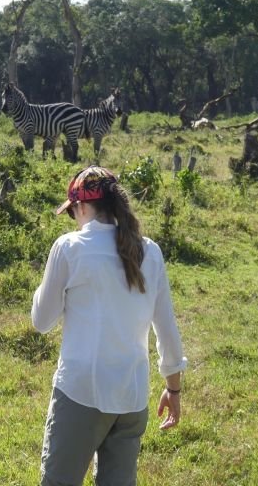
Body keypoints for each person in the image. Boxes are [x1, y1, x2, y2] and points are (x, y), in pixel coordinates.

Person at [31, 165, 187, 486]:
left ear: (82, 206)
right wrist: (173, 389)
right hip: (131, 399)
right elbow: (167, 330)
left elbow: (42, 321)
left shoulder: (69, 248)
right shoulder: (150, 251)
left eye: (72, 211)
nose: (74, 219)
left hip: (80, 393)